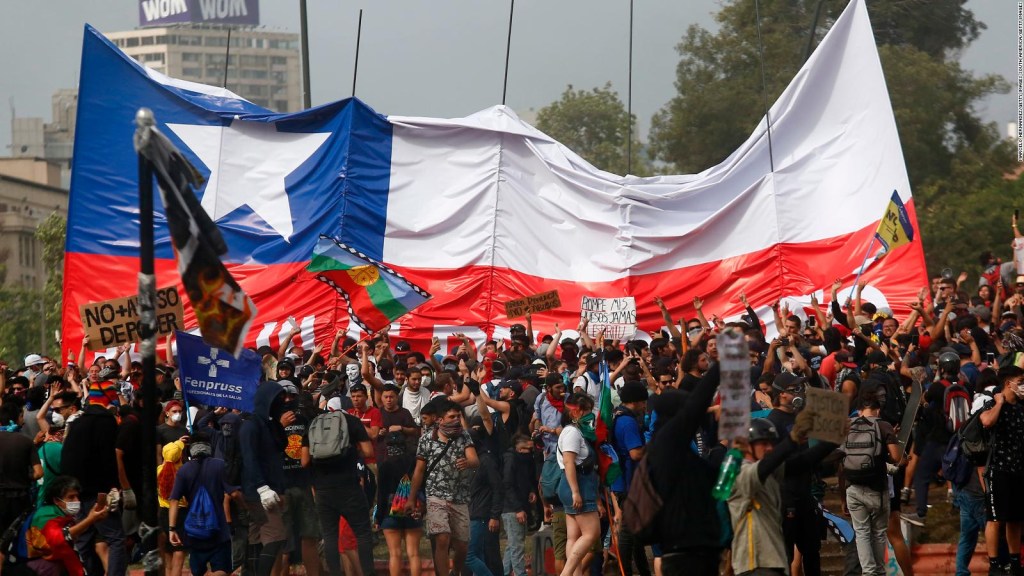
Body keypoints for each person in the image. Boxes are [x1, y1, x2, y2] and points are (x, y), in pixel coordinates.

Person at [728, 411, 834, 576]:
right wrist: (792, 439)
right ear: (746, 445)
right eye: (762, 443)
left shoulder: (770, 472)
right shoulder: (740, 473)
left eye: (771, 443)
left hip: (774, 562)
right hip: (754, 563)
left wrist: (834, 440)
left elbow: (802, 462)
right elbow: (766, 466)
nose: (769, 448)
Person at [302, 398, 376, 576]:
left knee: (330, 536)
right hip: (349, 487)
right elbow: (368, 452)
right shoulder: (352, 421)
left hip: (322, 490)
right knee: (363, 534)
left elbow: (304, 461)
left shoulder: (314, 424)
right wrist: (350, 451)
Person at [61, 379, 126, 576]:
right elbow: (107, 458)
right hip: (97, 491)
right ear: (109, 400)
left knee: (84, 538)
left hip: (75, 491)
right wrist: (109, 489)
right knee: (115, 538)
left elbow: (67, 457)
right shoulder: (106, 422)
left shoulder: (78, 422)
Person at [406, 399, 479, 576]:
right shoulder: (427, 439)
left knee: (462, 544)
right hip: (436, 496)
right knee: (442, 538)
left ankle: (456, 571)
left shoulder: (464, 436)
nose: (456, 420)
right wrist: (411, 498)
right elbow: (419, 470)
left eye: (458, 416)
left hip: (459, 497)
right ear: (440, 420)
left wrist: (467, 462)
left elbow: (475, 460)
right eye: (451, 416)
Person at [843, 394, 900, 576]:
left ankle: (868, 573)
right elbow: (896, 458)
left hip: (852, 488)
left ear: (859, 410)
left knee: (861, 533)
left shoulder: (847, 426)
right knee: (878, 533)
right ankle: (879, 572)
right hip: (877, 489)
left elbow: (839, 461)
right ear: (878, 410)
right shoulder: (883, 426)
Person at [167, 433, 241, 576]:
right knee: (222, 570)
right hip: (219, 530)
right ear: (209, 446)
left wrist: (172, 528)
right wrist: (247, 507)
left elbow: (174, 499)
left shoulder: (184, 470)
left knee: (198, 571)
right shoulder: (219, 465)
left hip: (194, 531)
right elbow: (234, 493)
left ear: (191, 449)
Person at [238, 381, 291, 576]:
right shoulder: (250, 426)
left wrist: (276, 423)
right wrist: (263, 488)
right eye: (278, 400)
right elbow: (249, 459)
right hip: (259, 492)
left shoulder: (267, 425)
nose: (282, 404)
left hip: (264, 489)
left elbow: (278, 447)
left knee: (257, 540)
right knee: (275, 537)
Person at [979, 366, 1024, 576]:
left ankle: (1015, 562)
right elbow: (986, 421)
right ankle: (994, 563)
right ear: (1009, 383)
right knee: (996, 519)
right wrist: (998, 403)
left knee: (1015, 519)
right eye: (1020, 381)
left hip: (1019, 470)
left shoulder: (1022, 406)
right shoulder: (994, 404)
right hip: (999, 470)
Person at [25, 476, 110, 576]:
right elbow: (63, 536)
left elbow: (71, 534)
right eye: (71, 497)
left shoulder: (63, 515)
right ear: (56, 500)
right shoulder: (46, 515)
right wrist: (90, 519)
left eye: (77, 496)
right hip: (43, 566)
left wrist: (93, 519)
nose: (76, 500)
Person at [556, 393, 601, 576]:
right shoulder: (572, 432)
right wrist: (576, 492)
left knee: (573, 537)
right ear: (577, 412)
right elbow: (569, 462)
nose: (591, 415)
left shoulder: (575, 432)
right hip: (577, 484)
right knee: (592, 533)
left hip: (574, 485)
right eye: (588, 411)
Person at [610, 383, 651, 576]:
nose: (645, 406)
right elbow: (635, 453)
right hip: (629, 481)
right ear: (636, 401)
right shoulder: (628, 422)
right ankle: (624, 570)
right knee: (627, 530)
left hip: (623, 481)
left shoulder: (618, 416)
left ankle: (643, 570)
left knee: (634, 530)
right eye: (643, 401)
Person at [0, 399, 42, 566]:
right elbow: (39, 473)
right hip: (20, 499)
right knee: (18, 540)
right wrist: (24, 477)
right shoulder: (25, 441)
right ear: (17, 417)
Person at [375, 431, 423, 576]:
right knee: (413, 553)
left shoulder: (384, 466)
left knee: (394, 554)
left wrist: (379, 517)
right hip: (412, 506)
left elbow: (381, 494)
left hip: (390, 512)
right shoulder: (414, 462)